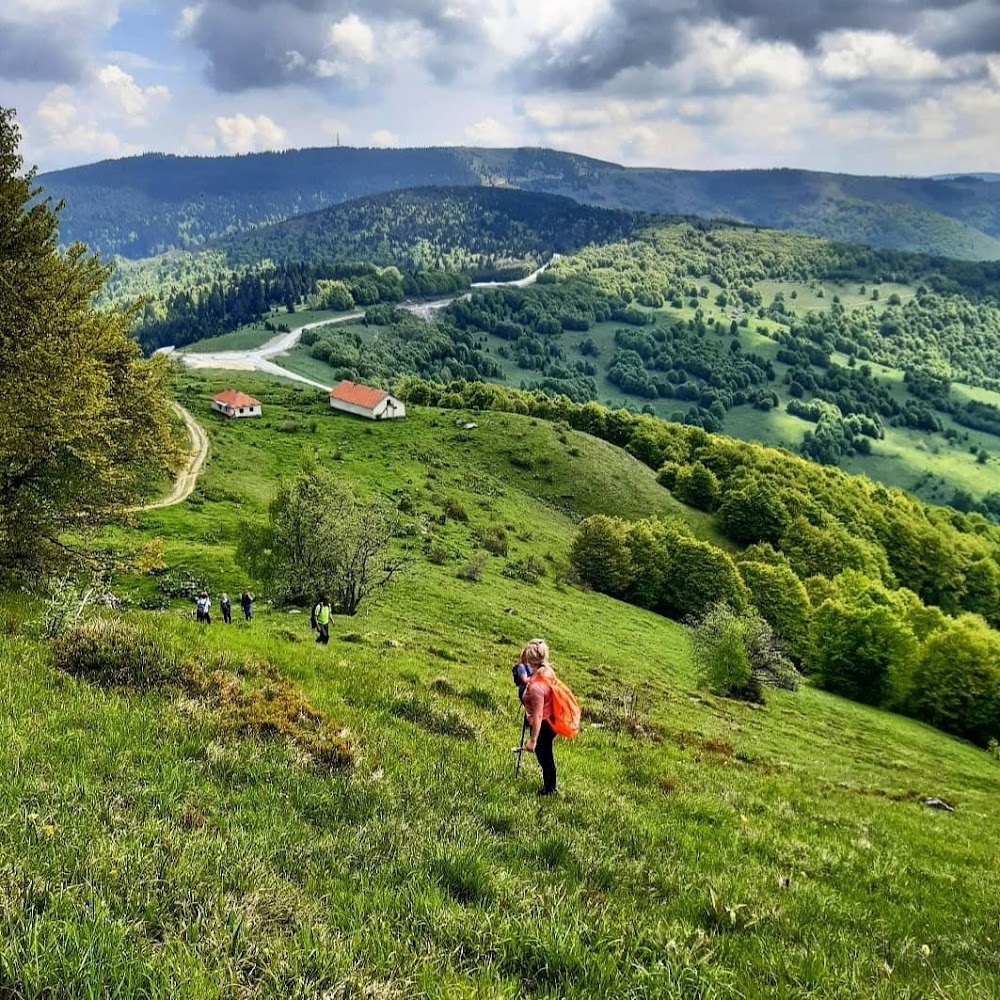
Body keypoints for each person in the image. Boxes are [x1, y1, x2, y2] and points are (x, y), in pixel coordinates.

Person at [520, 638, 558, 796]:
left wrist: (533, 740)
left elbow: (538, 715)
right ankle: (550, 786)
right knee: (545, 755)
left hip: (544, 725)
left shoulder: (537, 687)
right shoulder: (547, 671)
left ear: (530, 662)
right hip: (551, 720)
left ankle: (549, 789)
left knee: (544, 756)